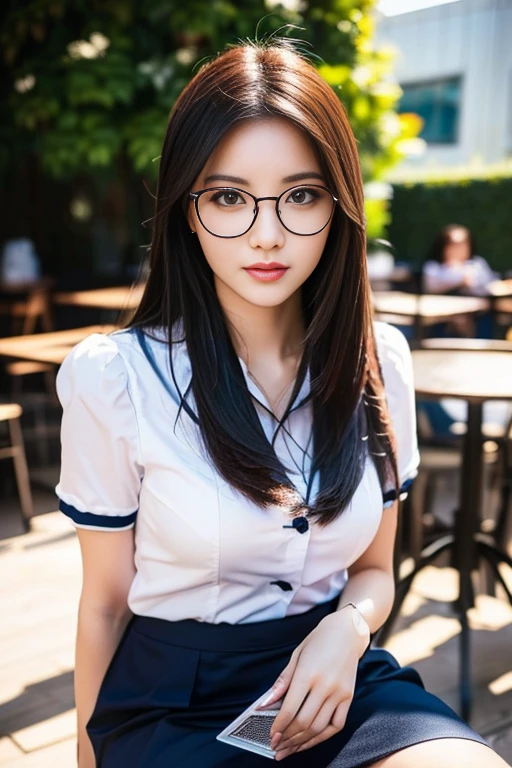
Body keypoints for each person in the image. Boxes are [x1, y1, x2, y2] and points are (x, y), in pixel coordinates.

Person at [56, 41, 508, 768]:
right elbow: (105, 605)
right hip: (174, 699)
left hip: (331, 677)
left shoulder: (379, 361)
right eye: (229, 197)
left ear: (339, 204)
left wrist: (349, 629)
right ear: (187, 211)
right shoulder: (116, 380)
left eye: (301, 195)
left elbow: (375, 568)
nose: (268, 233)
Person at [423, 224, 498, 297]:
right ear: (443, 247)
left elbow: (489, 285)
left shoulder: (477, 263)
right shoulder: (433, 266)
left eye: (464, 245)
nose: (459, 249)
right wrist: (459, 280)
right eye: (454, 245)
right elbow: (431, 288)